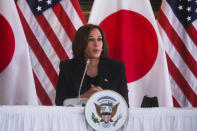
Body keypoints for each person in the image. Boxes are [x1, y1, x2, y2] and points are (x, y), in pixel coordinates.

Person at [55, 24, 128, 106]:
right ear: (81, 43)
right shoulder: (67, 67)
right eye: (91, 39)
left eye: (99, 39)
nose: (96, 44)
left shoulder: (117, 67)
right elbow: (59, 103)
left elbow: (124, 105)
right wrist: (83, 97)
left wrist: (103, 98)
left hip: (106, 117)